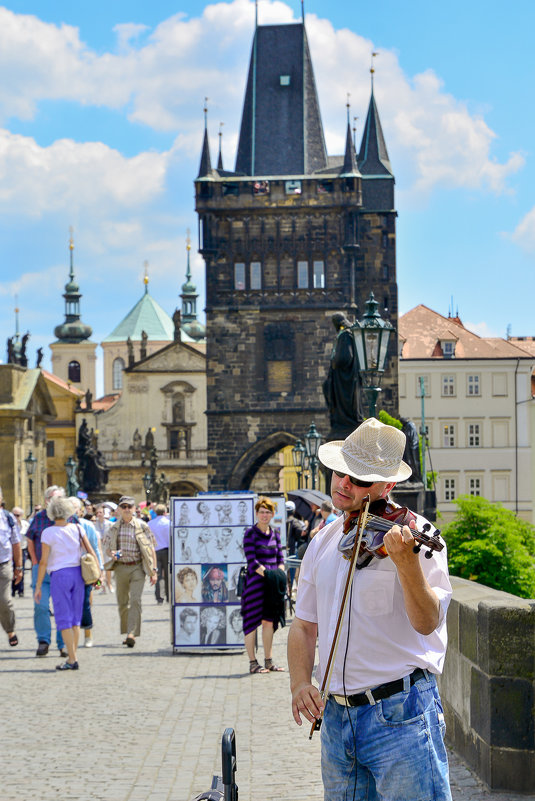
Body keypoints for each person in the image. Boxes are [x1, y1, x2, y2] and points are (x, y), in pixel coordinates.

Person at [288, 417, 452, 801]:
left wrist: (407, 565)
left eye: (360, 480)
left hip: (400, 714)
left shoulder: (413, 537)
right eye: (340, 472)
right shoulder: (325, 540)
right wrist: (299, 682)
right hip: (336, 720)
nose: (345, 484)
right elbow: (303, 626)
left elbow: (428, 622)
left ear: (388, 486)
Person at [34, 496, 99, 671]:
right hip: (78, 574)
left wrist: (39, 585)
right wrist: (97, 574)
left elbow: (43, 562)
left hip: (59, 576)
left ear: (51, 513)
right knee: (75, 620)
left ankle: (72, 659)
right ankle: (72, 657)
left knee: (63, 619)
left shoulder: (48, 532)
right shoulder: (78, 528)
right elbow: (90, 550)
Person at [105, 496, 157, 648]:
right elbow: (108, 548)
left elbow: (151, 548)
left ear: (134, 509)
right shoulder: (114, 528)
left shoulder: (142, 526)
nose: (127, 509)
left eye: (130, 507)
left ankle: (131, 633)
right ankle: (127, 629)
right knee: (122, 602)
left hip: (137, 567)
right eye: (124, 507)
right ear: (120, 509)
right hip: (121, 567)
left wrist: (154, 570)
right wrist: (112, 554)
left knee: (135, 600)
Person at [240, 496, 286, 674]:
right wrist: (268, 574)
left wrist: (279, 574)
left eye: (268, 512)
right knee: (251, 623)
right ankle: (253, 662)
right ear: (257, 513)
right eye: (261, 512)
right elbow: (252, 561)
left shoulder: (275, 533)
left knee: (269, 623)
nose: (264, 515)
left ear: (273, 514)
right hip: (255, 585)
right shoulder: (250, 534)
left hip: (272, 586)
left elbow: (280, 559)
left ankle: (268, 661)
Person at [26, 486, 68, 657]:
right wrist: (35, 561)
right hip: (41, 570)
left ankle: (63, 643)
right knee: (41, 606)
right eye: (51, 498)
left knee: (62, 608)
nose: (54, 501)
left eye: (58, 498)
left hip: (62, 569)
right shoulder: (39, 517)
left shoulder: (68, 518)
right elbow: (29, 539)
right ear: (46, 501)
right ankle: (43, 641)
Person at [70, 497, 103, 648]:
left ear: (80, 511)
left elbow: (95, 549)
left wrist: (99, 571)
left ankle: (87, 633)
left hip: (84, 567)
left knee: (84, 602)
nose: (72, 511)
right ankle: (70, 634)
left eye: (74, 508)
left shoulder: (87, 525)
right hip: (67, 568)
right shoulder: (60, 526)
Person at [0, 488, 22, 647]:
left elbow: (16, 544)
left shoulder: (8, 518)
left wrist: (19, 567)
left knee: (4, 601)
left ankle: (10, 630)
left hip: (3, 564)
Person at [148, 503, 170, 604]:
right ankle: (169, 596)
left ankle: (159, 598)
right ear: (165, 512)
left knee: (157, 574)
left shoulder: (150, 523)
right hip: (167, 550)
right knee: (168, 575)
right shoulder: (169, 523)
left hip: (155, 551)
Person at [94, 504, 113, 593]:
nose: (99, 514)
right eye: (97, 512)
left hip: (107, 548)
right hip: (98, 549)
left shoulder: (109, 524)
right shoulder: (94, 524)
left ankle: (109, 584)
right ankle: (101, 586)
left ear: (104, 513)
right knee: (99, 569)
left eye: (100, 512)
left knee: (108, 568)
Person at [11, 506, 28, 597]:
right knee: (12, 569)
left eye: (17, 515)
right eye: (14, 515)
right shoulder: (9, 523)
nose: (15, 517)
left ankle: (21, 590)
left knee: (21, 569)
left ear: (21, 515)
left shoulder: (25, 524)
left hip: (23, 549)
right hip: (11, 550)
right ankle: (13, 590)